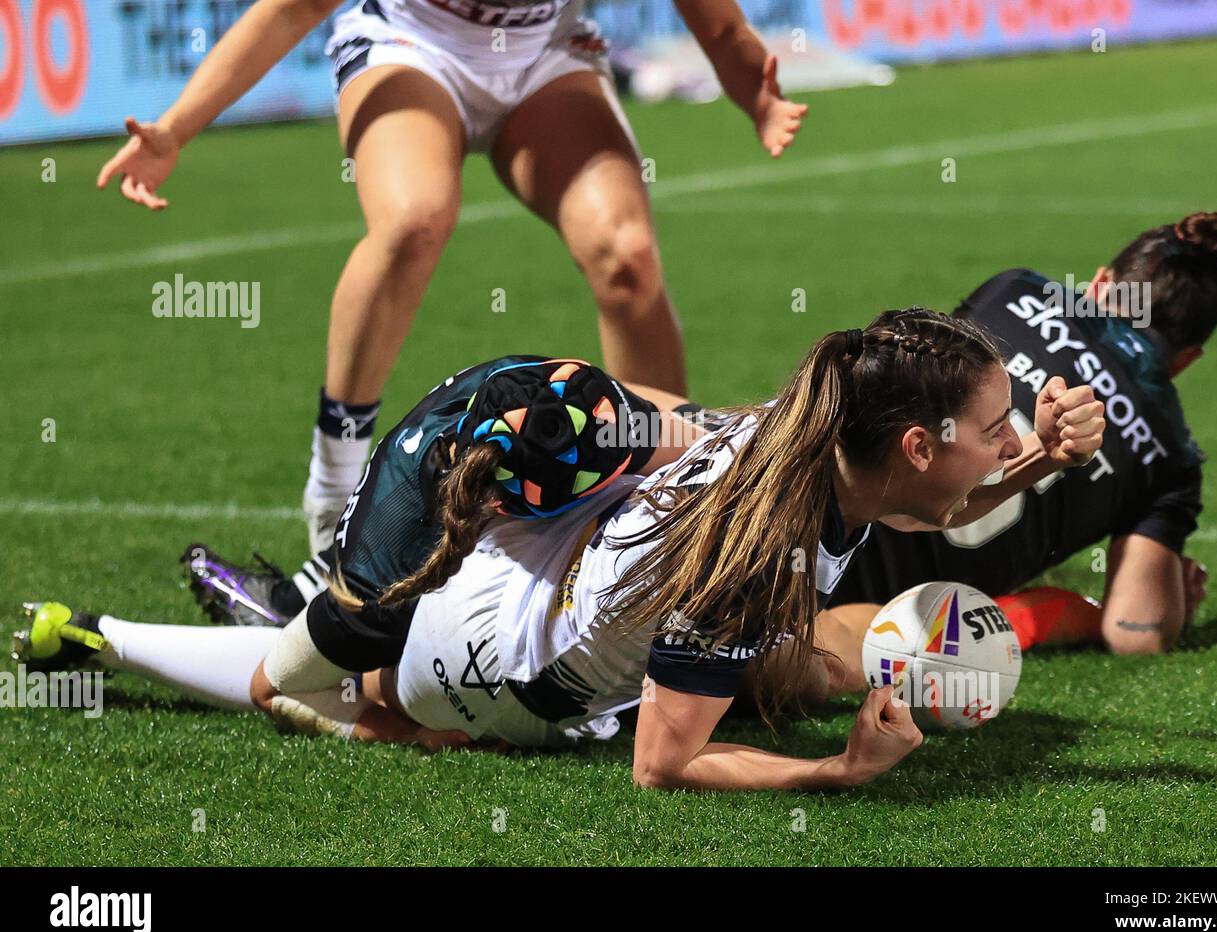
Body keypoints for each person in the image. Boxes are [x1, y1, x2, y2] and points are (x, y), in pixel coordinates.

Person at [16, 310, 1106, 791]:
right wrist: (839, 769)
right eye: (996, 424)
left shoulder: (814, 433)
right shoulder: (751, 563)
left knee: (339, 681)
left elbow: (934, 507)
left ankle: (106, 636)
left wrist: (1038, 461)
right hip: (495, 658)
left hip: (535, 561)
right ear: (915, 444)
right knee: (357, 698)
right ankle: (297, 649)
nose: (1007, 438)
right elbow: (663, 764)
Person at [95, 0, 810, 554]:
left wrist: (758, 99)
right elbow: (295, 9)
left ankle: (669, 507)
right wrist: (177, 129)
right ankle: (336, 487)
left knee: (627, 257)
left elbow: (713, 24)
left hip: (543, 56)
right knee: (414, 221)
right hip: (409, 44)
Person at [808, 212, 1217, 712]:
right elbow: (1133, 630)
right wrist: (1164, 605)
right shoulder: (1171, 454)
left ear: (1098, 284)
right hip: (884, 607)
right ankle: (1003, 616)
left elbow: (912, 377)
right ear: (1186, 359)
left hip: (833, 481)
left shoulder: (1015, 291)